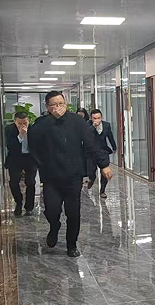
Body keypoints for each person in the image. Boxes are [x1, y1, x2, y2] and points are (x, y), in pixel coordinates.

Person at [29, 91, 113, 257]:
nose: (58, 107)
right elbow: (33, 142)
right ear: (47, 107)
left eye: (61, 103)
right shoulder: (42, 123)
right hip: (51, 177)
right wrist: (42, 165)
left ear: (65, 104)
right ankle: (54, 226)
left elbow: (91, 144)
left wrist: (104, 165)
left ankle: (71, 245)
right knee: (51, 210)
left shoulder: (77, 121)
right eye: (54, 104)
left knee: (73, 212)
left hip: (73, 175)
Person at [4, 111, 37, 216]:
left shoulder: (33, 129)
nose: (23, 126)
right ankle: (18, 202)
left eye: (25, 123)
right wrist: (20, 136)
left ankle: (29, 207)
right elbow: (10, 146)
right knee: (14, 182)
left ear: (28, 121)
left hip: (30, 158)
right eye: (20, 123)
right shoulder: (9, 129)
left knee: (30, 182)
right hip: (15, 158)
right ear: (15, 122)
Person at [88, 109, 117, 199]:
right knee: (91, 171)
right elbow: (86, 135)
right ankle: (92, 179)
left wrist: (114, 147)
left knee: (105, 172)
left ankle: (102, 191)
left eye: (98, 118)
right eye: (94, 118)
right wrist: (93, 126)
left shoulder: (106, 125)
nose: (97, 120)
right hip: (92, 152)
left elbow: (110, 136)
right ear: (91, 118)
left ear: (101, 117)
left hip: (103, 151)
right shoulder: (87, 125)